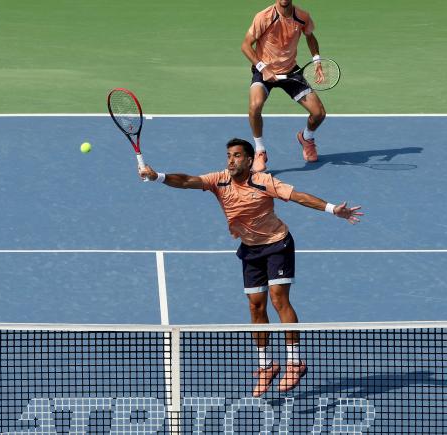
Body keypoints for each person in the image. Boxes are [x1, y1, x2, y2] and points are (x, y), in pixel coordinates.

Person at [139, 138, 363, 397]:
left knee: (279, 300)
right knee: (256, 306)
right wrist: (158, 177)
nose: (230, 161)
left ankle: (294, 361)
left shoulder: (264, 181)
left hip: (277, 244)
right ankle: (266, 365)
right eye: (228, 156)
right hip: (250, 249)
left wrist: (332, 208)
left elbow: (298, 196)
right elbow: (188, 181)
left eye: (236, 156)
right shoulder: (219, 180)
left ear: (248, 160)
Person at [241, 0, 327, 172]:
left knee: (319, 113)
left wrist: (316, 60)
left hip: (290, 71)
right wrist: (262, 68)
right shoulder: (263, 17)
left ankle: (306, 137)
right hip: (263, 70)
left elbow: (310, 36)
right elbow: (245, 46)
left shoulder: (302, 17)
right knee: (254, 107)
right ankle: (259, 151)